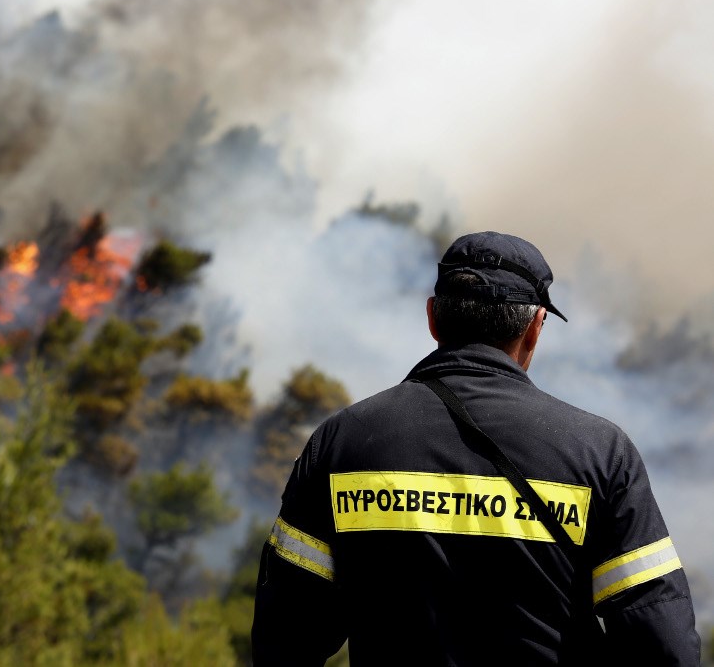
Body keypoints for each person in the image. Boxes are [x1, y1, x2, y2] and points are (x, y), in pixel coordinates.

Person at [252, 231, 700, 666]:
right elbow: (663, 644)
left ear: (432, 318)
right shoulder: (601, 453)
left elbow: (285, 639)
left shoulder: (340, 442)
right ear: (535, 327)